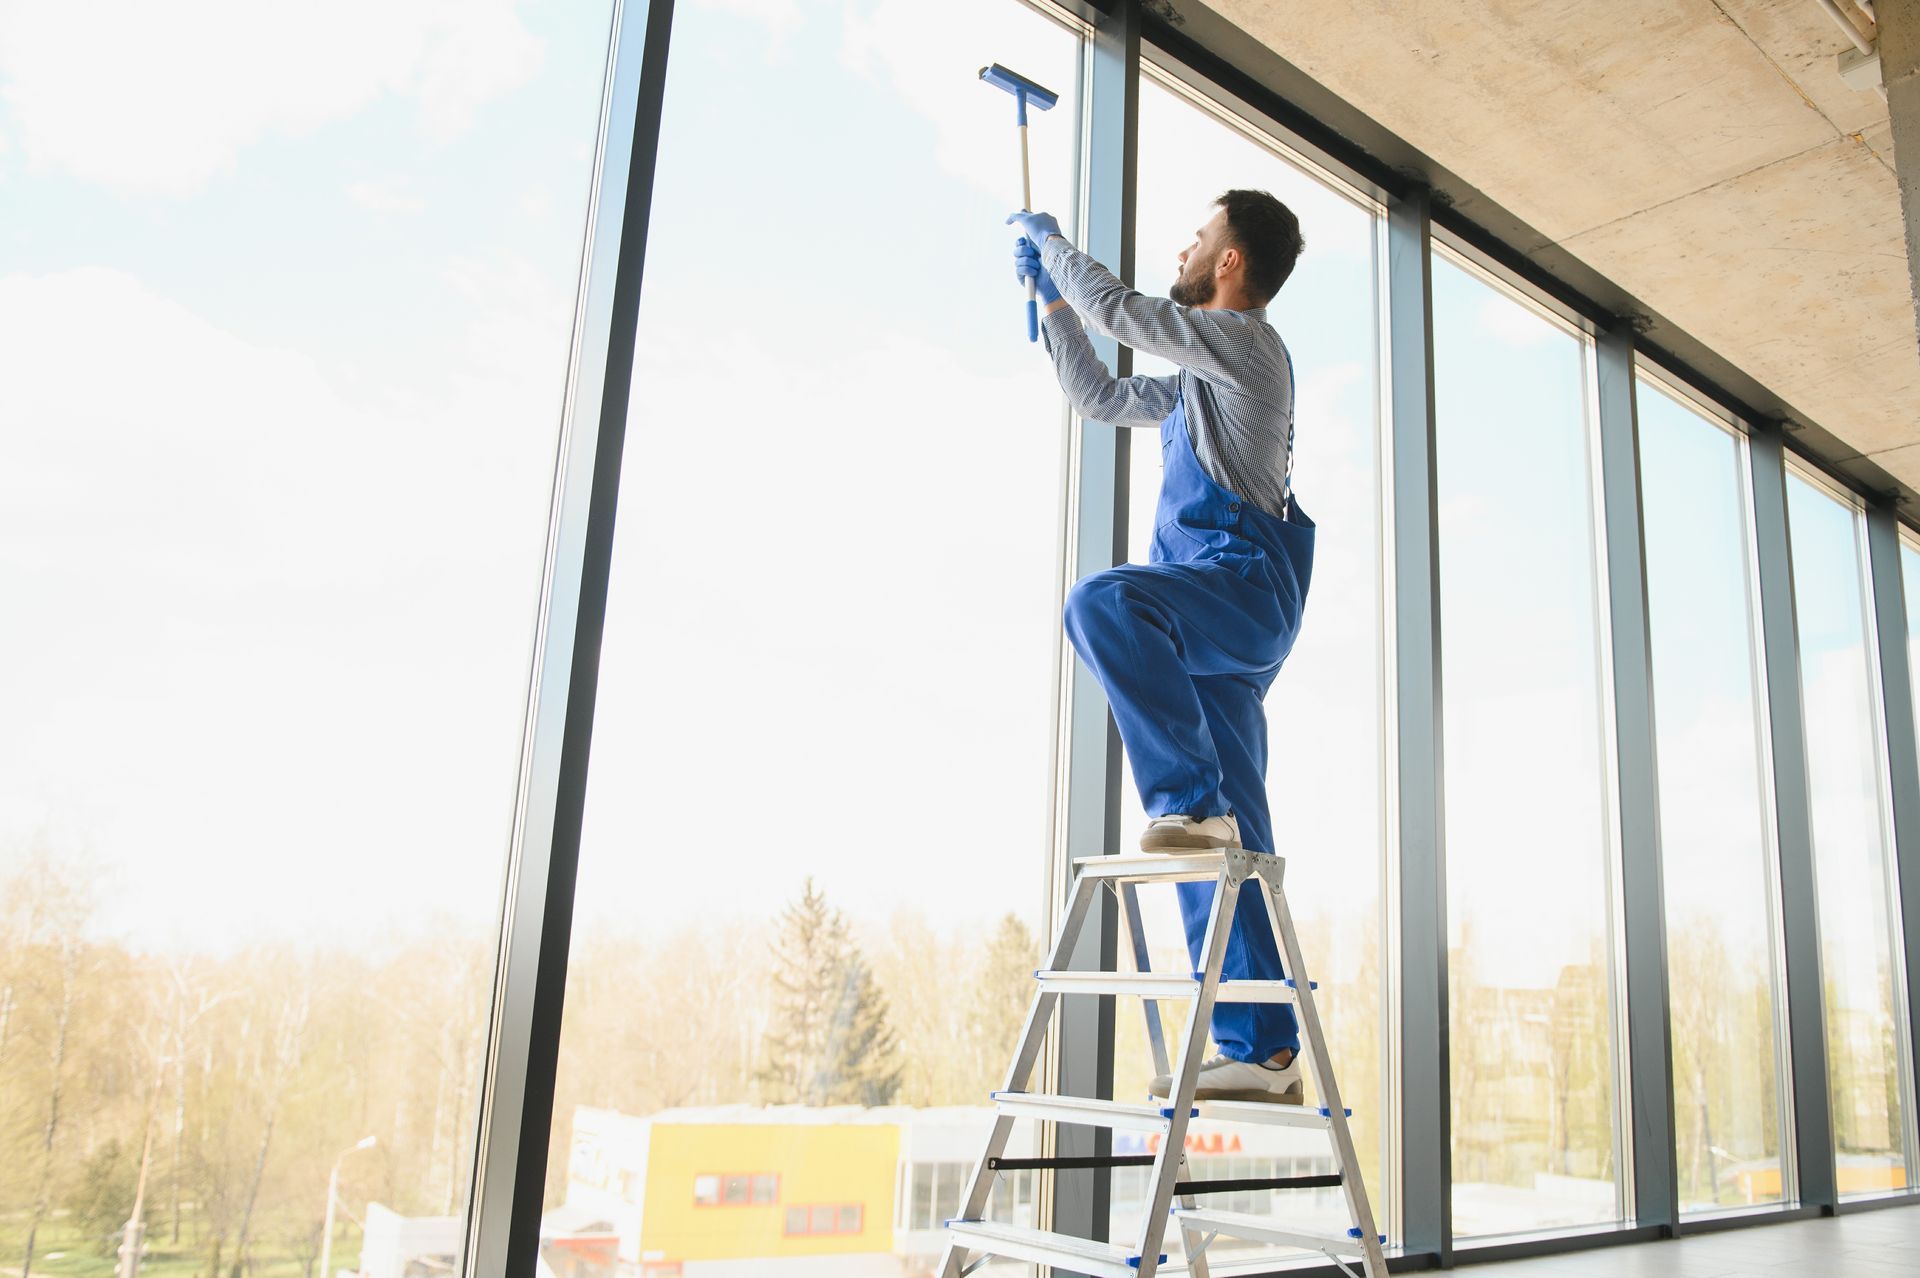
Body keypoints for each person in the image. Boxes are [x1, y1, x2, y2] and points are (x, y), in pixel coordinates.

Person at [1007, 191, 1311, 1105]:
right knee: (1231, 847)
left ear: (1229, 264)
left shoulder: (1245, 344)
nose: (1185, 246)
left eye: (1198, 236)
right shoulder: (1196, 383)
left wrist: (1054, 244)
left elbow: (1122, 312)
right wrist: (1052, 307)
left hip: (1237, 591)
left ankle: (1187, 800)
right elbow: (1099, 395)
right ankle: (1265, 1049)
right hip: (1214, 623)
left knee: (1103, 604)